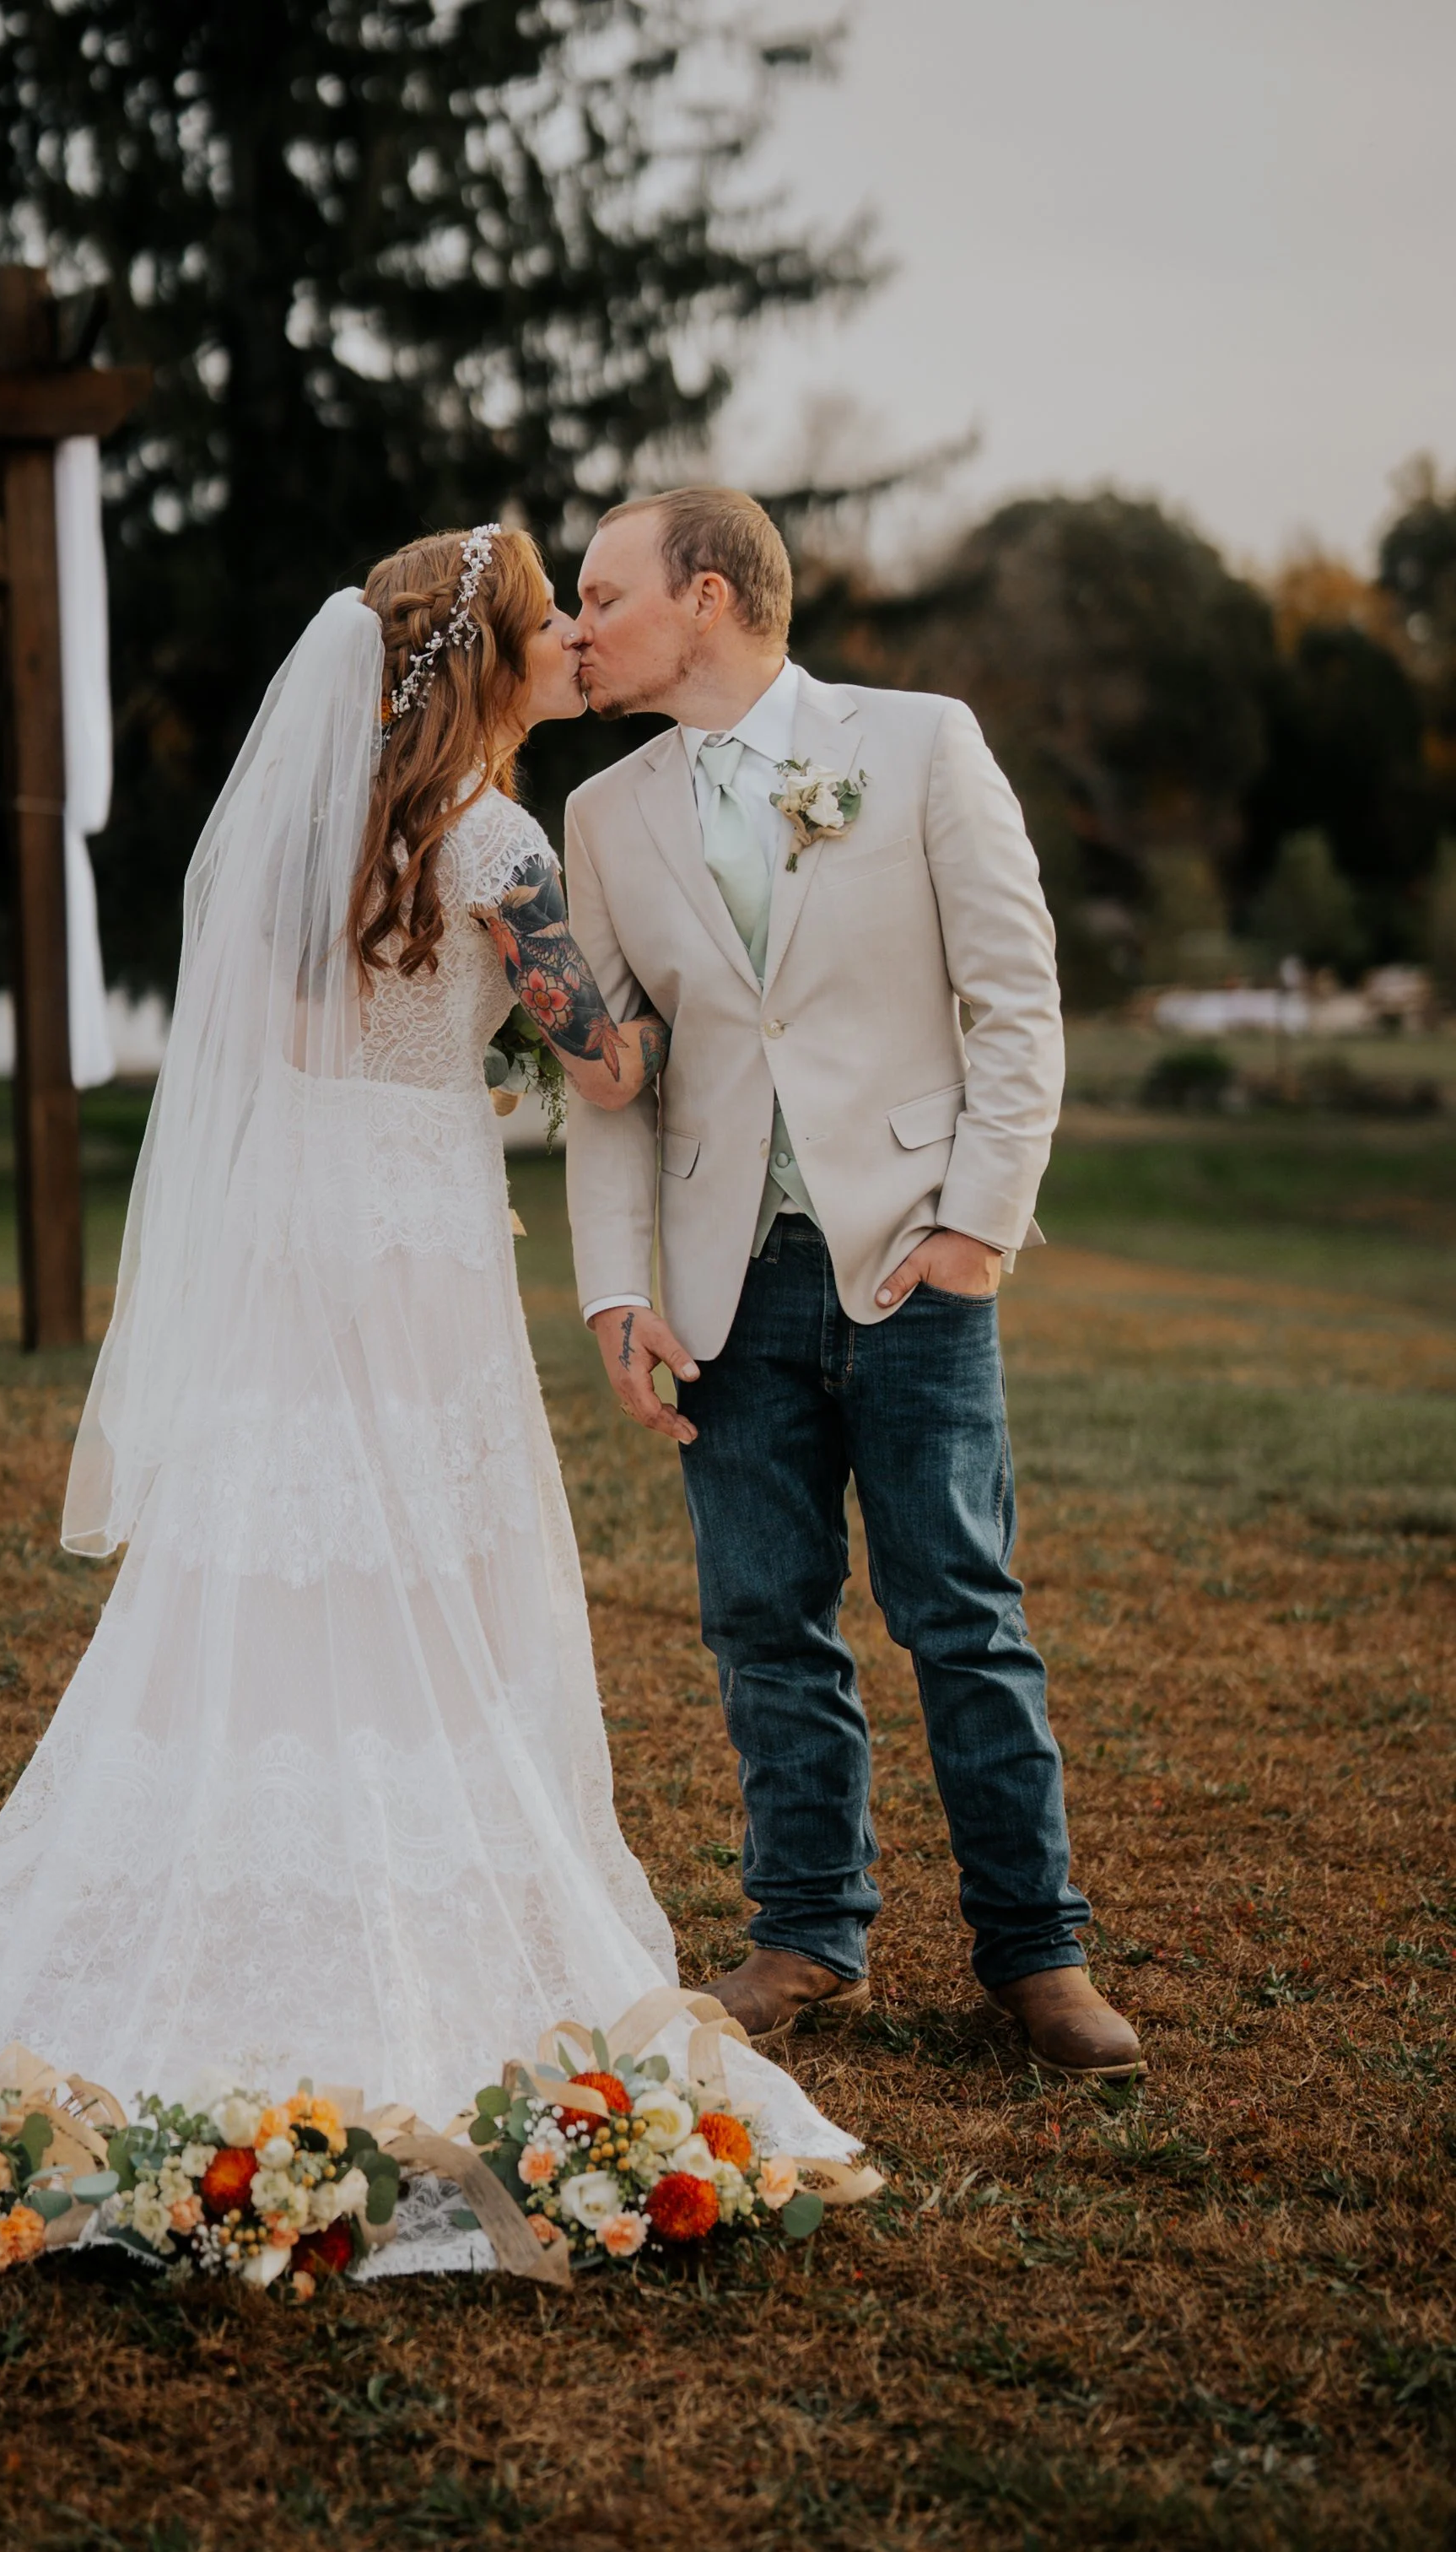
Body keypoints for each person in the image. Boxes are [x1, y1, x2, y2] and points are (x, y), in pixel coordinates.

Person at [0, 525, 863, 2247]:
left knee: (278, 1524)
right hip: (416, 1237)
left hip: (297, 1225)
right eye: (550, 627)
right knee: (423, 1540)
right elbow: (601, 1062)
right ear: (491, 660)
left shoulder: (330, 834)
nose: (571, 647)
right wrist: (690, 1025)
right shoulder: (498, 841)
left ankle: (224, 1837)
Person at [562, 486, 1142, 2082]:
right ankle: (807, 1938)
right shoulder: (604, 818)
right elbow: (613, 1081)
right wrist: (619, 1289)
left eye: (604, 595)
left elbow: (1017, 1004)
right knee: (762, 1618)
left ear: (707, 596)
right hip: (721, 1279)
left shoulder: (920, 743)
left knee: (960, 1609)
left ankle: (1039, 1957)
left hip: (915, 1259)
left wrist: (978, 1227)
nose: (578, 626)